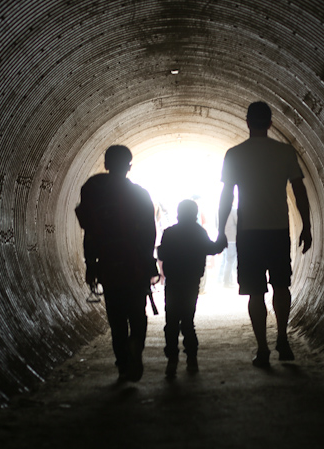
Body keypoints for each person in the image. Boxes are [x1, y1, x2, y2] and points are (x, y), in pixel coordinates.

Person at [216, 101, 312, 367]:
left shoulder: (235, 154)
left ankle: (262, 349)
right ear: (270, 123)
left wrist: (221, 229)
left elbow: (226, 196)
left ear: (247, 122)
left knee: (255, 292)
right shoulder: (285, 152)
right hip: (279, 229)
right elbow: (299, 190)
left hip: (250, 233)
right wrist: (307, 225)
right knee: (281, 286)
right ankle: (282, 338)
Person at [75, 145, 158, 382]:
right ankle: (136, 347)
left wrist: (91, 265)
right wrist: (146, 260)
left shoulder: (92, 191)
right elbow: (150, 233)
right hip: (134, 263)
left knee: (116, 317)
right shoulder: (140, 194)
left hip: (108, 263)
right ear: (129, 167)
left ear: (106, 164)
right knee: (137, 312)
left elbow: (89, 232)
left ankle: (122, 365)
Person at [157, 199, 224, 378]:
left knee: (171, 322)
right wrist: (222, 239)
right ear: (195, 214)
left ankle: (172, 360)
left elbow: (161, 253)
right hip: (191, 282)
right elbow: (212, 249)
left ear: (178, 213)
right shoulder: (199, 232)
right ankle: (191, 359)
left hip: (173, 283)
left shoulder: (169, 232)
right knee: (188, 321)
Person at [219, 205, 238, 287]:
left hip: (224, 238)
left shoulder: (220, 210)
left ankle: (223, 280)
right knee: (230, 261)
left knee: (226, 260)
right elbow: (238, 223)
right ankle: (226, 282)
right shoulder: (233, 210)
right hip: (232, 238)